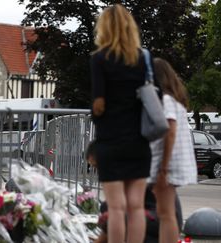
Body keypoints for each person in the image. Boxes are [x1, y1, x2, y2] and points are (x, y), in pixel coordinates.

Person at [90, 4, 156, 243]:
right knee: (136, 207)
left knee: (116, 208)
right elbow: (152, 96)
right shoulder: (143, 58)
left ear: (105, 28)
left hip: (111, 141)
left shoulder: (99, 59)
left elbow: (98, 105)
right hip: (138, 142)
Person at [149, 58, 197, 243]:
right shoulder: (176, 101)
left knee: (165, 212)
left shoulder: (166, 100)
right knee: (165, 211)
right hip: (173, 162)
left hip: (168, 164)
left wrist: (163, 167)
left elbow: (169, 132)